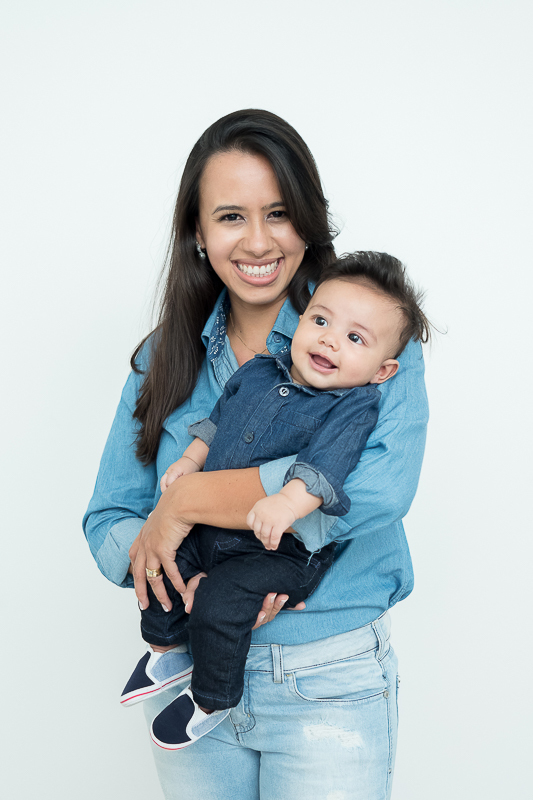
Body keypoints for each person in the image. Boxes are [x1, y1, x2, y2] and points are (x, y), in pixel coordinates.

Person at [83, 109, 429, 800]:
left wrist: (184, 503)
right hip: (182, 667)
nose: (258, 240)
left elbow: (377, 490)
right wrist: (162, 567)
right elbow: (110, 517)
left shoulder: (370, 343)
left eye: (278, 212)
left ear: (308, 220)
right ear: (199, 235)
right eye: (231, 216)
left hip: (325, 681)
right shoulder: (163, 359)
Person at [119, 251, 430, 754]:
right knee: (161, 564)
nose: (330, 338)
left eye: (354, 339)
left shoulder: (353, 405)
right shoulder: (264, 368)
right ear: (301, 320)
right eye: (321, 321)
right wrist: (193, 460)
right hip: (216, 537)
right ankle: (165, 646)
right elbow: (220, 419)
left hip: (281, 554)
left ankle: (211, 698)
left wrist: (286, 502)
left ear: (382, 369)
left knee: (221, 599)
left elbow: (326, 468)